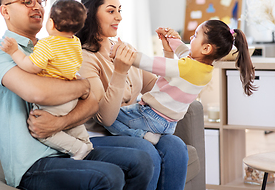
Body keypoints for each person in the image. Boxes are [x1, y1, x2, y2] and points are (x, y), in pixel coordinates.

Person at [0, 0, 153, 190]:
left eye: (39, 1)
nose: (36, 6)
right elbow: (38, 93)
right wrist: (82, 87)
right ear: (5, 11)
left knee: (141, 161)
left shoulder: (56, 46)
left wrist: (62, 120)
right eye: (27, 1)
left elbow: (92, 103)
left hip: (68, 147)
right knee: (108, 177)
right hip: (33, 162)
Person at [76, 0, 188, 190]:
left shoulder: (124, 48)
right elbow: (106, 119)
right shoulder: (84, 58)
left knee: (176, 147)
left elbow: (158, 89)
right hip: (99, 136)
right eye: (111, 11)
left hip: (134, 129)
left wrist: (168, 53)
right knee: (147, 152)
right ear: (90, 14)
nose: (118, 17)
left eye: (120, 10)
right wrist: (120, 71)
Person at [105, 20, 256, 144]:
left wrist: (124, 52)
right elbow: (185, 52)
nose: (191, 38)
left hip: (151, 116)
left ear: (206, 48)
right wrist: (172, 39)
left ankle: (139, 135)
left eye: (196, 36)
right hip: (169, 124)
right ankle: (147, 135)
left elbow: (150, 63)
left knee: (106, 116)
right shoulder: (205, 69)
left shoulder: (186, 67)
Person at [0, 0, 92, 160]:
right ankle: (87, 144)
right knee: (74, 126)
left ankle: (78, 148)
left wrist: (14, 51)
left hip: (54, 102)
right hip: (71, 98)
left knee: (44, 134)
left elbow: (31, 66)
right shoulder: (75, 42)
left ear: (51, 23)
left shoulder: (47, 44)